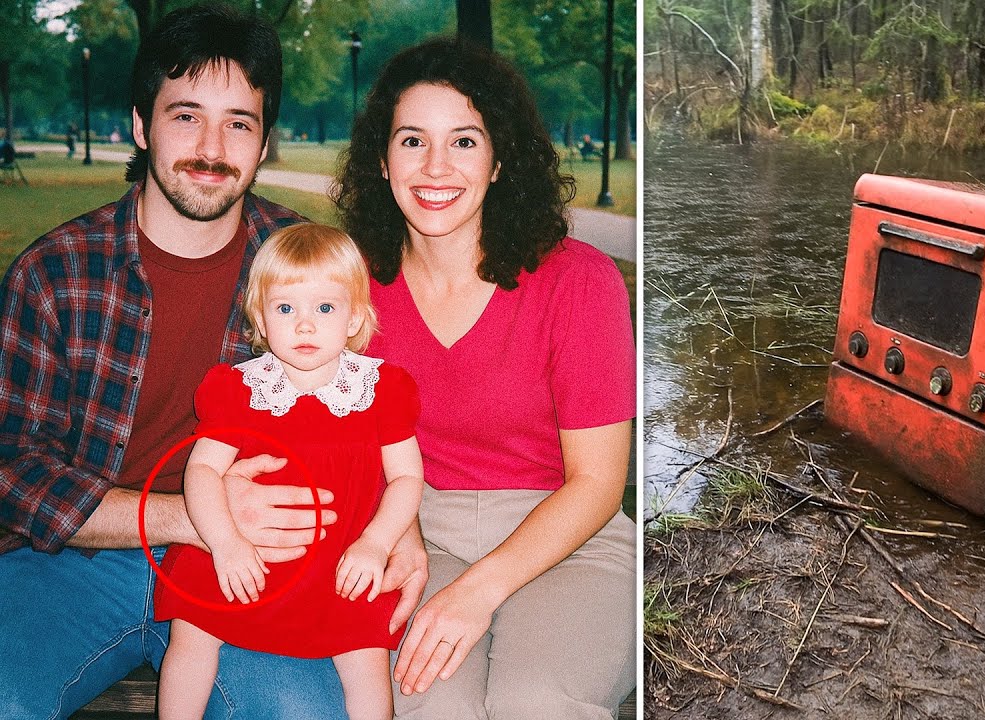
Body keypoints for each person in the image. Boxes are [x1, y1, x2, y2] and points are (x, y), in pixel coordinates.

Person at [0, 5, 426, 718]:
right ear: (141, 126)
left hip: (268, 569)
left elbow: (369, 416)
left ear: (264, 144)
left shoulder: (303, 269)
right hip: (74, 566)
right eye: (185, 115)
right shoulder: (56, 272)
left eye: (239, 122)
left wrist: (400, 534)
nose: (211, 145)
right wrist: (188, 519)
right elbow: (13, 467)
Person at [337, 38, 636, 719]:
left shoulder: (578, 282)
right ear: (381, 161)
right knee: (427, 701)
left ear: (499, 161)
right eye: (412, 140)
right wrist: (399, 532)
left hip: (565, 535)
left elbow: (596, 483)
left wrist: (480, 589)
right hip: (416, 531)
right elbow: (347, 445)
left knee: (536, 704)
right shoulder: (350, 287)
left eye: (464, 142)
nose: (435, 166)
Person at [156, 224, 425, 720]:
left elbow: (408, 477)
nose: (305, 325)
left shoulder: (380, 389)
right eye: (286, 309)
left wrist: (377, 543)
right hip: (244, 550)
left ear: (354, 318)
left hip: (344, 555)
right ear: (260, 317)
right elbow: (203, 472)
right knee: (192, 635)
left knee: (366, 659)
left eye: (324, 308)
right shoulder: (239, 388)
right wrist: (225, 543)